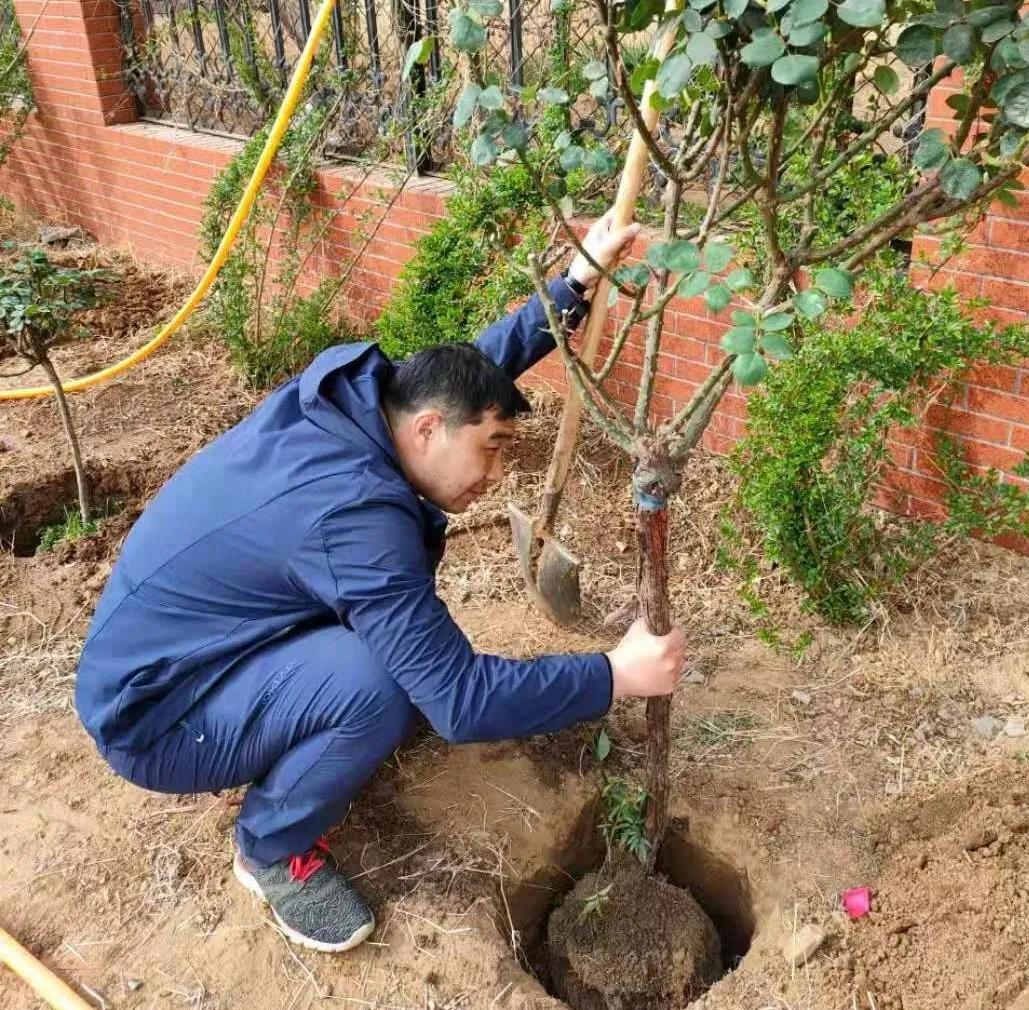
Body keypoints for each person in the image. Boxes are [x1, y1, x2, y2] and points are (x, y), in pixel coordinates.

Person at [73, 210, 685, 953]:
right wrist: (614, 675)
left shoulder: (358, 401)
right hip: (157, 717)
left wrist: (574, 283)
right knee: (383, 685)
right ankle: (270, 849)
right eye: (491, 451)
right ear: (427, 431)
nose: (495, 476)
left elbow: (469, 377)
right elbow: (460, 702)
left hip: (183, 653)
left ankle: (299, 718)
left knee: (391, 666)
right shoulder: (357, 521)